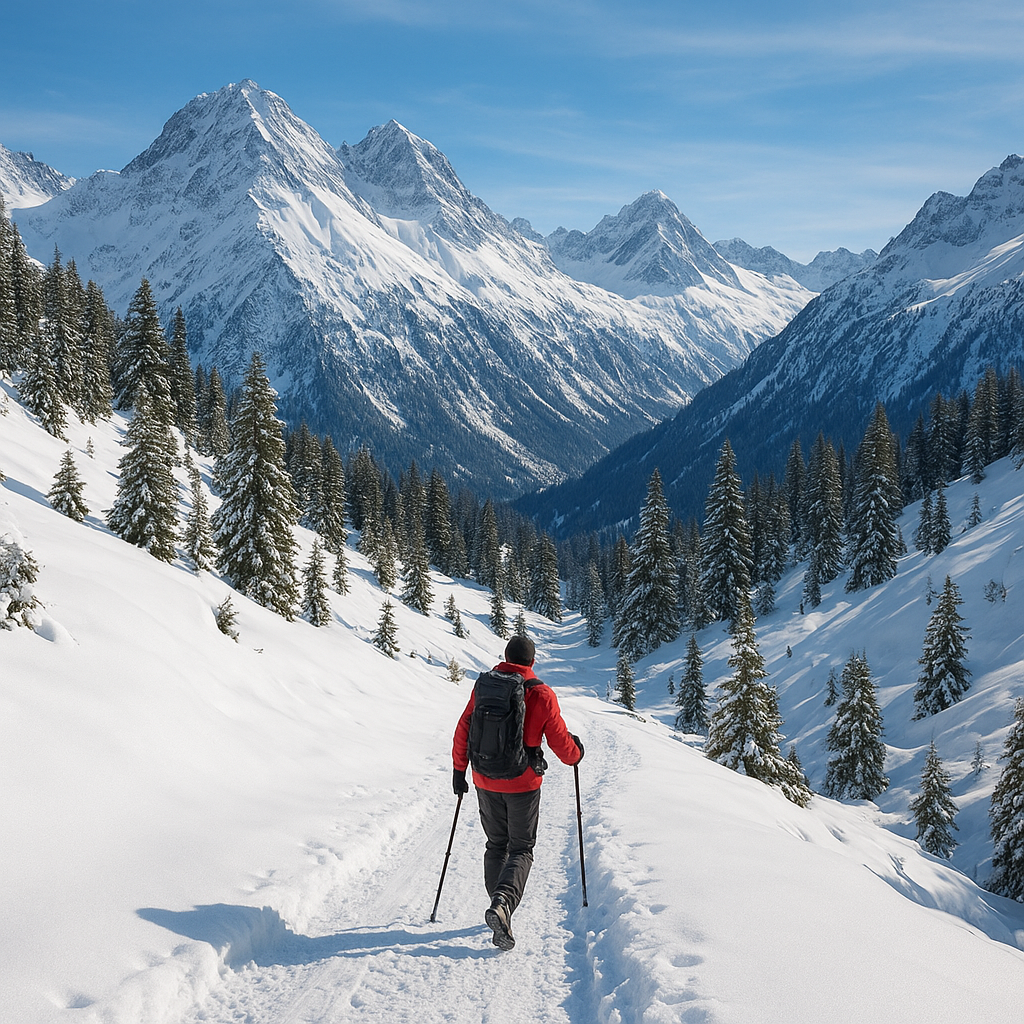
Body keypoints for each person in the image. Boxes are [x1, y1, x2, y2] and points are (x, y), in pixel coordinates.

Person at [452, 634, 583, 951]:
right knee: (521, 848)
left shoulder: (484, 685)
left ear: (505, 657)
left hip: (484, 778)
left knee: (496, 844)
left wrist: (459, 771)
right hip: (522, 784)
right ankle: (503, 904)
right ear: (532, 662)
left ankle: (500, 905)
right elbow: (561, 743)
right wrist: (576, 754)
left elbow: (464, 727)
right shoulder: (540, 693)